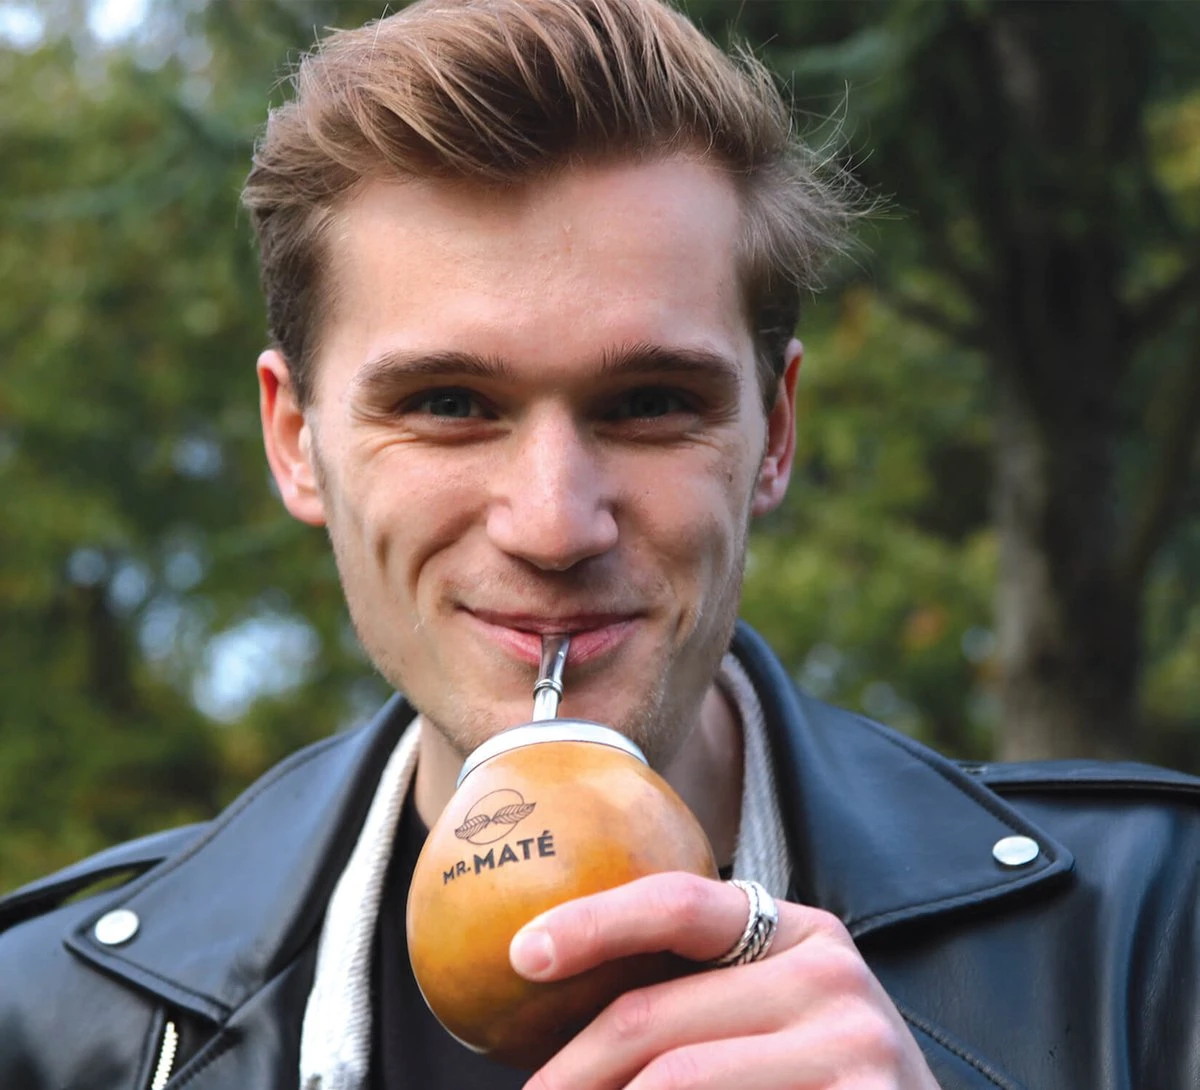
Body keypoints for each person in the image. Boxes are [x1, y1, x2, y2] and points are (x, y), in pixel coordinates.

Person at [2, 0, 1198, 1087]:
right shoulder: (49, 1028)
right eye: (449, 405)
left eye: (650, 404)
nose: (555, 524)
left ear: (775, 433)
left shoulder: (1151, 934)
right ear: (295, 441)